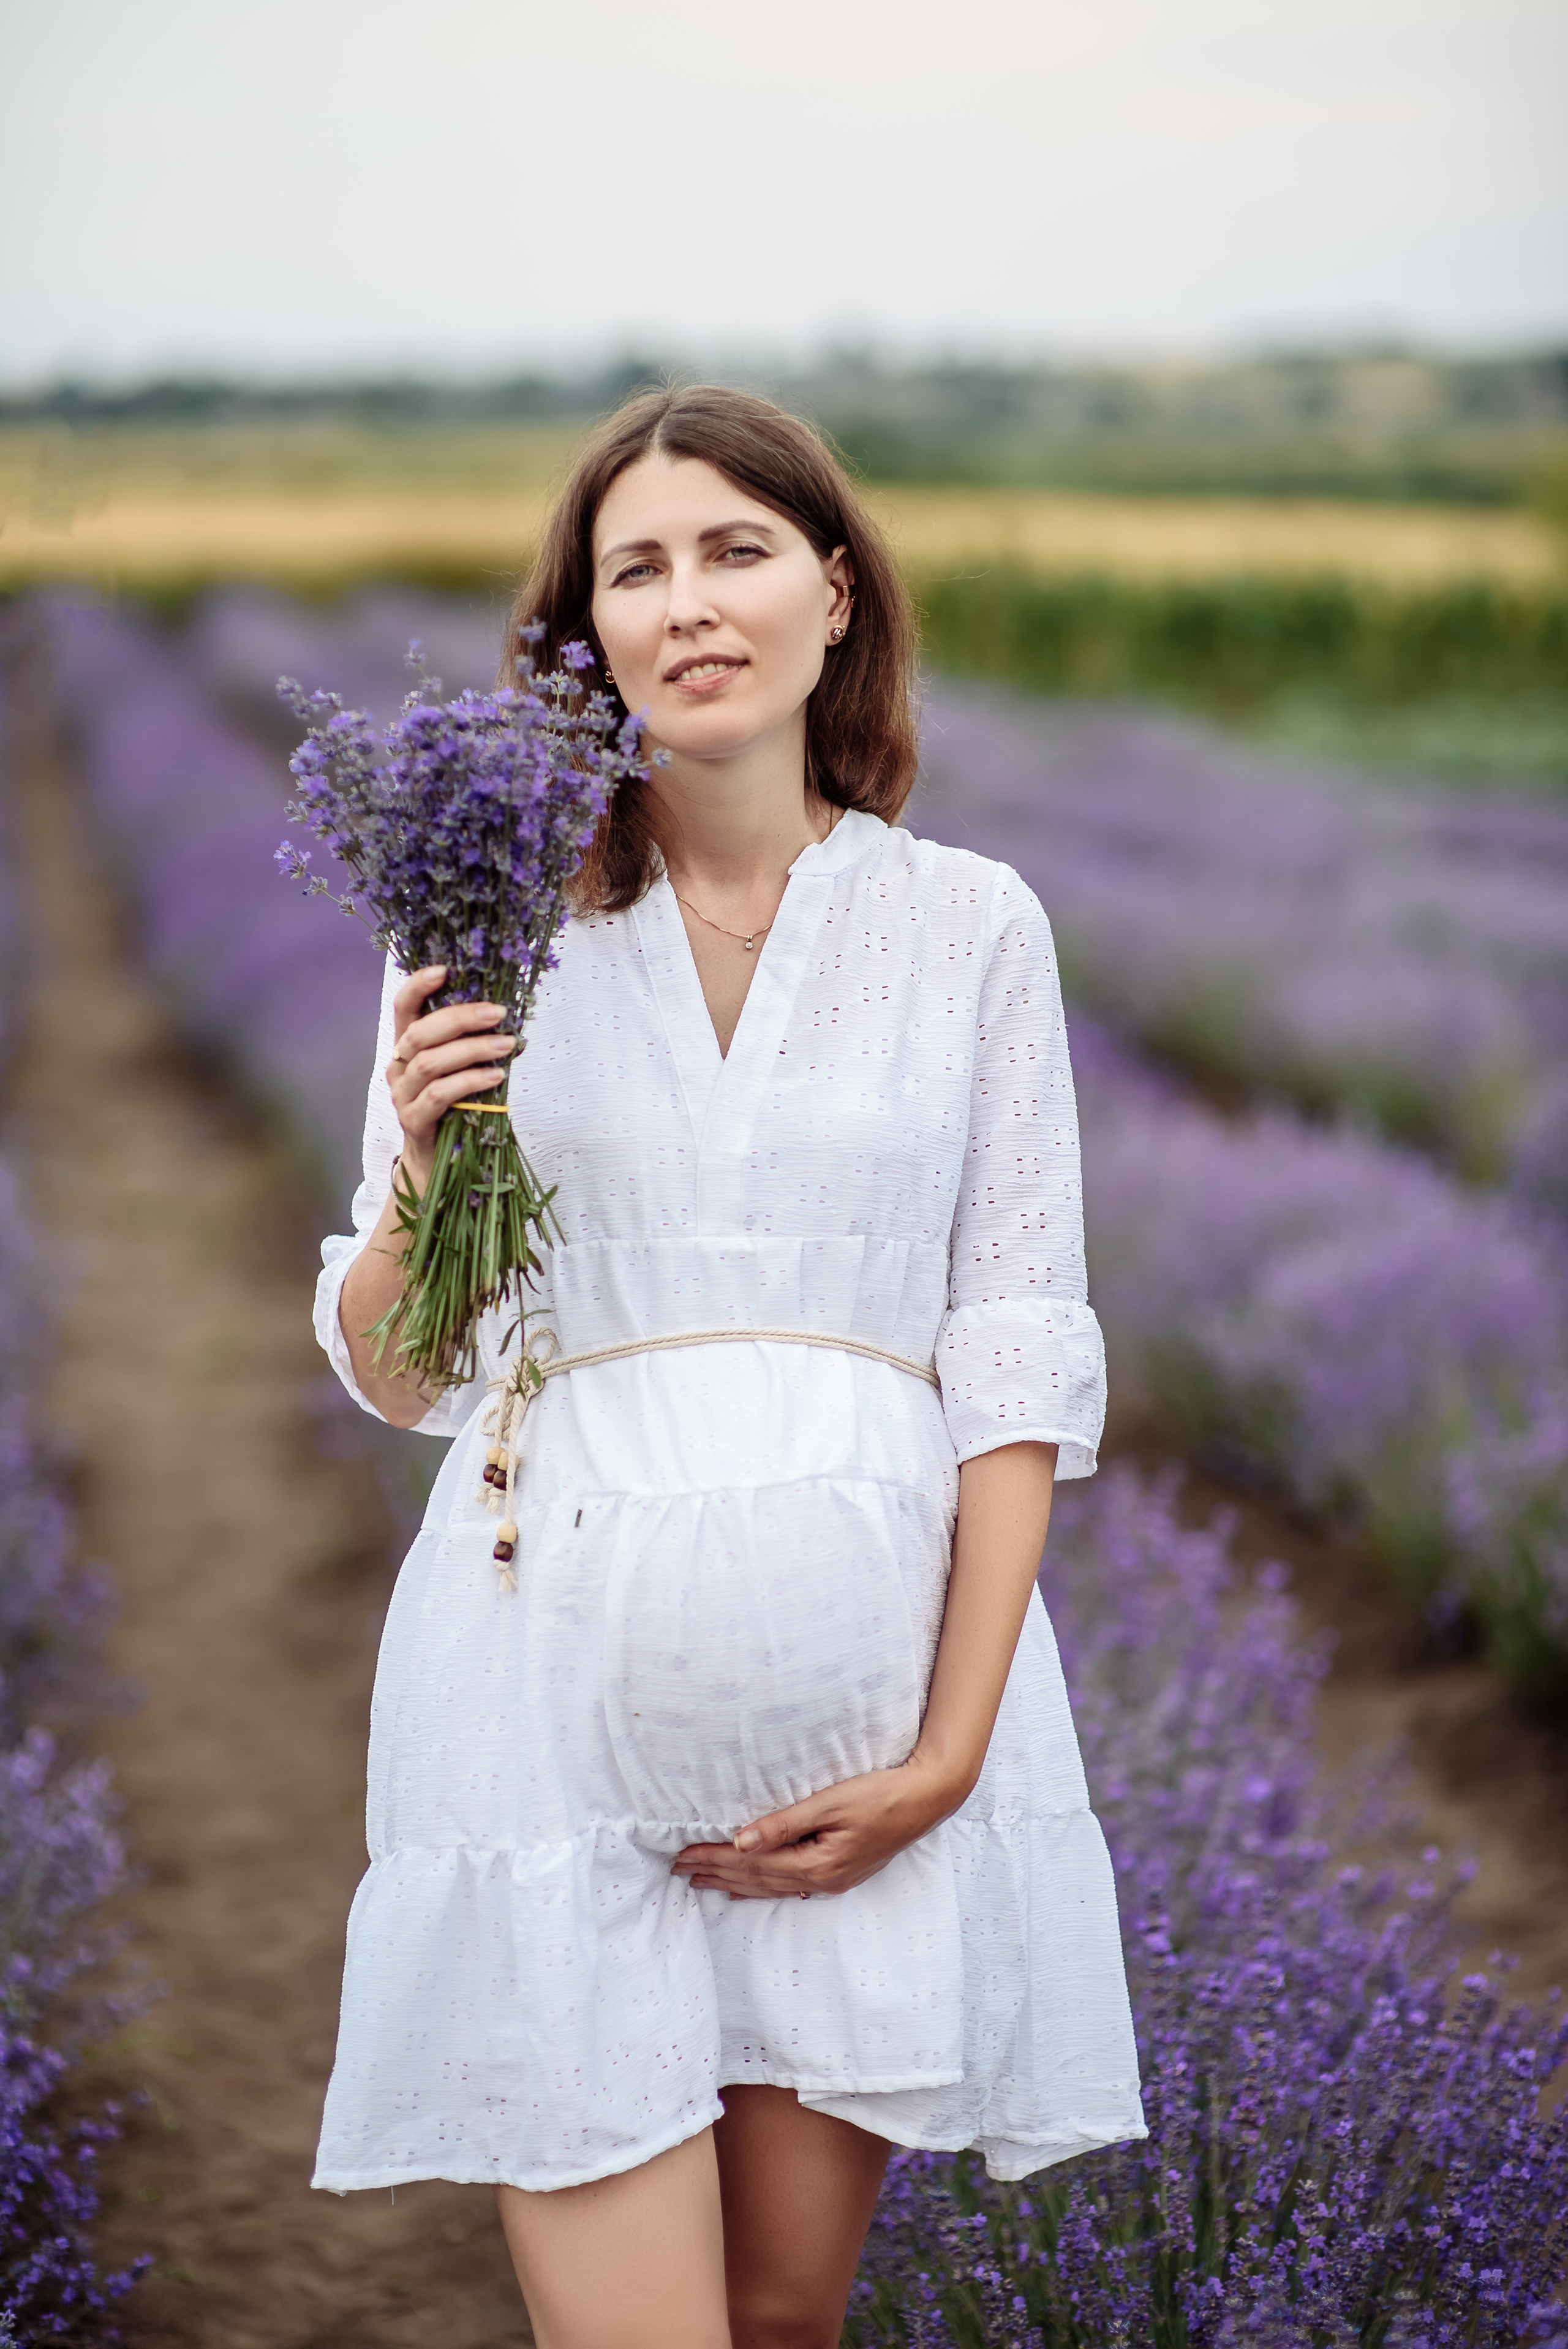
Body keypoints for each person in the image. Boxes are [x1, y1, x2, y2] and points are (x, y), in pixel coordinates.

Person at [311, 383, 1145, 2348]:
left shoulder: (969, 930)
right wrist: (432, 1164)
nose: (691, 601)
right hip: (545, 1715)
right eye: (639, 566)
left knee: (781, 2325)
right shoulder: (483, 921)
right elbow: (409, 1365)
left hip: (861, 1747)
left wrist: (946, 1759)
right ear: (585, 633)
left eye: (738, 549)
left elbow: (1013, 1360)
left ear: (834, 596)